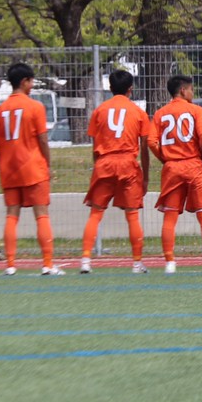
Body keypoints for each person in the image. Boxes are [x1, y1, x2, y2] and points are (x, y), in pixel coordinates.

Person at [0, 62, 62, 275]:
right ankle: (47, 264)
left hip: (9, 170)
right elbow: (43, 139)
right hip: (33, 168)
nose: (32, 85)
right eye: (31, 81)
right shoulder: (35, 107)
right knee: (42, 215)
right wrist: (47, 164)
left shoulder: (1, 109)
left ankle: (11, 265)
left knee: (12, 216)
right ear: (24, 82)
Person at [148, 74, 202, 274]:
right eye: (191, 89)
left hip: (172, 168)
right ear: (183, 90)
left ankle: (170, 262)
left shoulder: (160, 113)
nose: (193, 92)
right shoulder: (196, 110)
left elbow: (151, 141)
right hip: (193, 165)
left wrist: (164, 158)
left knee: (170, 216)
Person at [82, 68, 152, 274]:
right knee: (132, 215)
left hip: (104, 162)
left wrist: (97, 167)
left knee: (95, 213)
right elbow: (145, 148)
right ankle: (137, 263)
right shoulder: (138, 112)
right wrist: (145, 177)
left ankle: (85, 260)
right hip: (128, 163)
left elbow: (94, 144)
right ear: (131, 89)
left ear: (110, 88)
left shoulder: (100, 110)